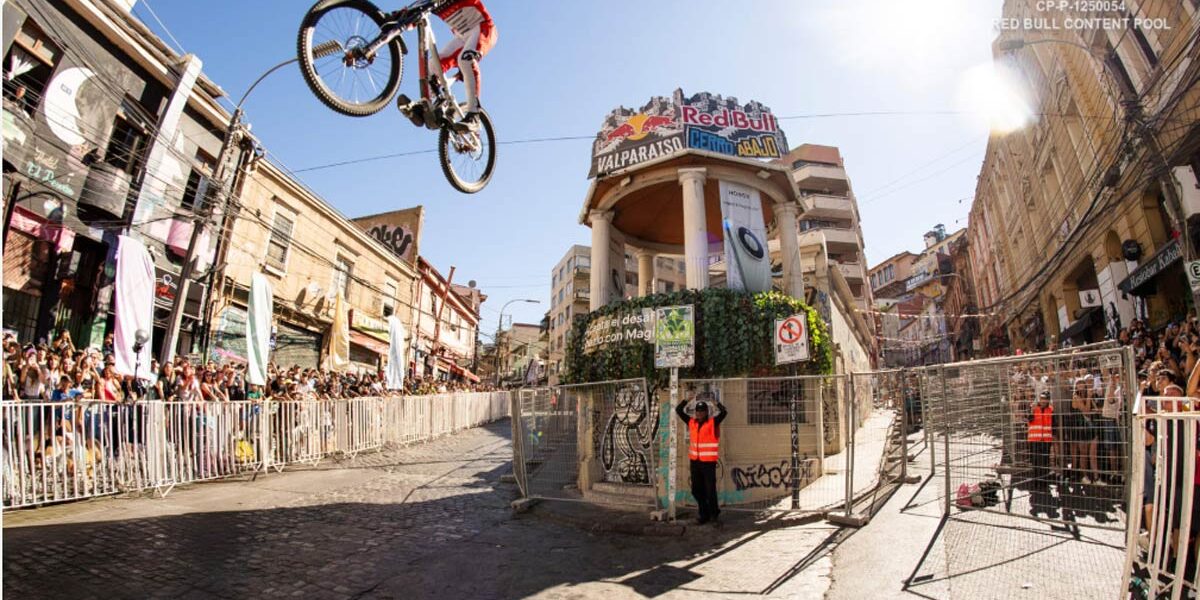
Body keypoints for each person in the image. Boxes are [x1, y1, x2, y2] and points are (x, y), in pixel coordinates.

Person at [398, 0, 496, 125]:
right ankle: (428, 105)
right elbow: (412, 16)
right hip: (462, 37)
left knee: (465, 60)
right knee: (433, 65)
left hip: (482, 28)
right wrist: (398, 19)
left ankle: (474, 114)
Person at [675, 391, 727, 525]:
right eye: (698, 411)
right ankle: (704, 513)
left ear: (706, 412)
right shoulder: (692, 422)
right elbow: (679, 410)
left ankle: (714, 515)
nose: (699, 413)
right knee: (696, 490)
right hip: (695, 462)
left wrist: (715, 402)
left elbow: (724, 412)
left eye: (702, 411)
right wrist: (687, 400)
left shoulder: (712, 423)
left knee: (710, 490)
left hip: (708, 463)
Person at [1027, 390, 1055, 513]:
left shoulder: (1051, 410)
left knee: (1044, 461)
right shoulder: (1034, 408)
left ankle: (1044, 482)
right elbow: (1028, 419)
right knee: (1035, 461)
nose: (1043, 401)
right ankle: (1036, 481)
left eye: (1046, 399)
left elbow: (1053, 424)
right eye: (1042, 398)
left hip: (1046, 440)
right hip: (1035, 439)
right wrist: (1031, 410)